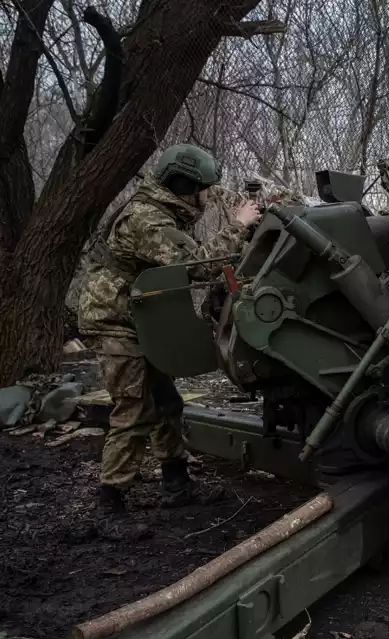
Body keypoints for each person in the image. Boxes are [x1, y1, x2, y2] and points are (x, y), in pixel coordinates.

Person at [78, 143, 260, 515]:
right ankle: (109, 503)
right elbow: (198, 264)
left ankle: (177, 486)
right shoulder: (146, 219)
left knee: (167, 403)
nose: (208, 197)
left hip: (138, 320)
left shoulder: (157, 212)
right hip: (116, 323)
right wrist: (239, 225)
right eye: (205, 189)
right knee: (134, 410)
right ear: (187, 187)